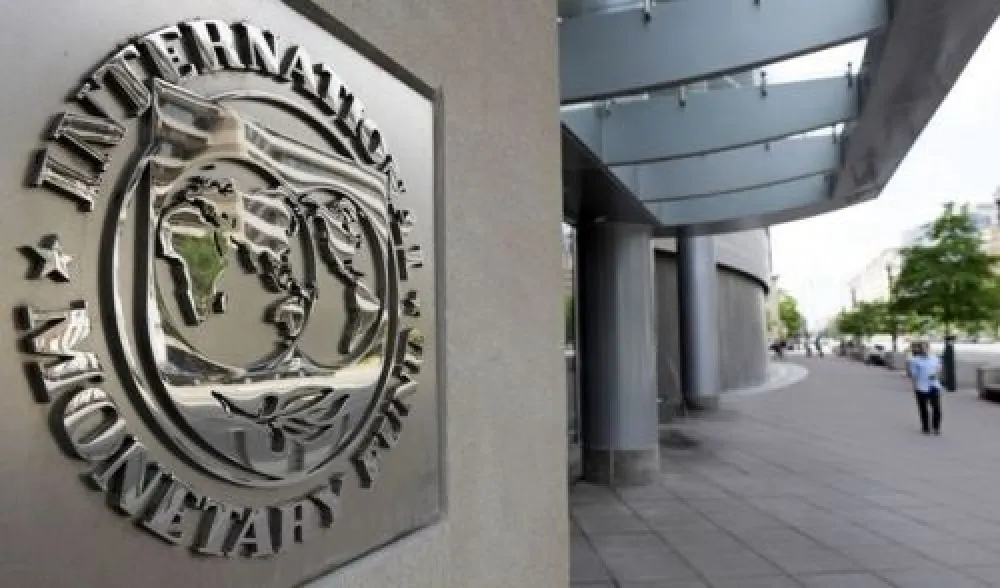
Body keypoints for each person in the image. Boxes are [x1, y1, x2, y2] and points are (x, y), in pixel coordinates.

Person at [907, 340, 942, 435]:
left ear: (928, 348)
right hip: (921, 387)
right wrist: (914, 387)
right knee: (923, 408)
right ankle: (925, 427)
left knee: (936, 408)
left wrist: (936, 375)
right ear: (919, 349)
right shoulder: (914, 360)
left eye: (926, 347)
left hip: (933, 386)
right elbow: (913, 375)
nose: (924, 350)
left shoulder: (935, 358)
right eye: (922, 348)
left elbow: (939, 369)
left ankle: (936, 427)